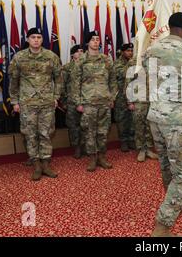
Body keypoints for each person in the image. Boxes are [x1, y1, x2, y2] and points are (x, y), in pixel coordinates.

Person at [144, 12, 182, 237]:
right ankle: (163, 227)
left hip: (155, 117)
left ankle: (180, 198)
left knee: (167, 163)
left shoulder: (150, 50)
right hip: (178, 121)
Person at [9, 27, 62, 181]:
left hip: (46, 102)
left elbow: (58, 79)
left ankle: (45, 163)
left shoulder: (51, 56)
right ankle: (36, 164)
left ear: (42, 39)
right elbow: (14, 81)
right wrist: (14, 101)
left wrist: (56, 97)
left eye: (39, 37)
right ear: (27, 39)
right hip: (27, 103)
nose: (36, 40)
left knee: (46, 133)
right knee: (30, 134)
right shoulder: (19, 58)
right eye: (33, 37)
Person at [72, 31, 117, 172]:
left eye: (98, 39)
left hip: (104, 102)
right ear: (87, 43)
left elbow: (113, 81)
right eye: (93, 39)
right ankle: (92, 157)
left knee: (103, 132)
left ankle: (102, 157)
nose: (96, 42)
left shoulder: (106, 60)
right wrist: (78, 102)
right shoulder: (81, 61)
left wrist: (112, 97)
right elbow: (75, 83)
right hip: (88, 102)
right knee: (89, 132)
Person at [125, 57, 158, 162]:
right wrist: (129, 101)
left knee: (149, 126)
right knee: (139, 125)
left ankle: (148, 149)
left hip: (152, 99)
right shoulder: (133, 61)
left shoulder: (154, 60)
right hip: (138, 99)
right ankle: (141, 150)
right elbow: (128, 82)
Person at [61, 44, 84, 159]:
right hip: (71, 102)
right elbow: (62, 85)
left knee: (86, 125)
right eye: (77, 51)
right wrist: (64, 101)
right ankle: (77, 147)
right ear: (72, 54)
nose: (80, 53)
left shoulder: (87, 66)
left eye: (81, 51)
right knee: (74, 126)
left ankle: (86, 146)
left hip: (86, 100)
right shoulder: (66, 68)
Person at [113, 43, 136, 152]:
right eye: (127, 51)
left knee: (132, 119)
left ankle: (131, 139)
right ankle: (123, 141)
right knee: (122, 119)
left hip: (133, 95)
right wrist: (131, 65)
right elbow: (124, 73)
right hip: (121, 96)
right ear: (122, 52)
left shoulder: (134, 62)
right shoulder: (117, 63)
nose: (130, 53)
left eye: (131, 51)